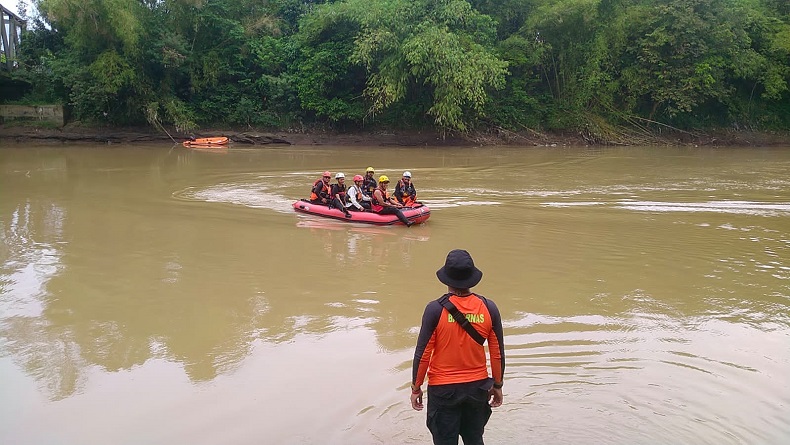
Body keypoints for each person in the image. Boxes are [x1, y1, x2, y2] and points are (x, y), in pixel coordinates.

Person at [411, 249, 505, 445]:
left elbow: (423, 354)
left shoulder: (435, 310)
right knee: (474, 440)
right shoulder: (489, 308)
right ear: (472, 277)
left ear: (446, 278)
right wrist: (497, 385)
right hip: (478, 389)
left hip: (443, 391)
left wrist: (416, 387)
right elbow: (497, 354)